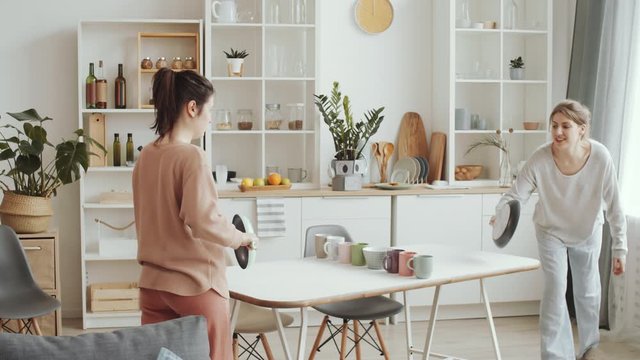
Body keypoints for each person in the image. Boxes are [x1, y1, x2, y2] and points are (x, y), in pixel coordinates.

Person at [132, 68, 257, 360]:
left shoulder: (146, 156)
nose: (211, 118)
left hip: (152, 286)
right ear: (192, 108)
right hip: (196, 285)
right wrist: (240, 238)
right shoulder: (192, 157)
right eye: (209, 110)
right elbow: (203, 221)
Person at [491, 99, 627, 360]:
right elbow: (516, 194)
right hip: (550, 230)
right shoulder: (540, 158)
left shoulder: (600, 157)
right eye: (554, 125)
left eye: (566, 126)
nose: (558, 132)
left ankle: (590, 349)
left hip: (587, 230)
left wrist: (620, 247)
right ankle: (555, 355)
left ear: (582, 129)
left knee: (588, 292)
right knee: (555, 289)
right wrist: (500, 214)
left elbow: (615, 206)